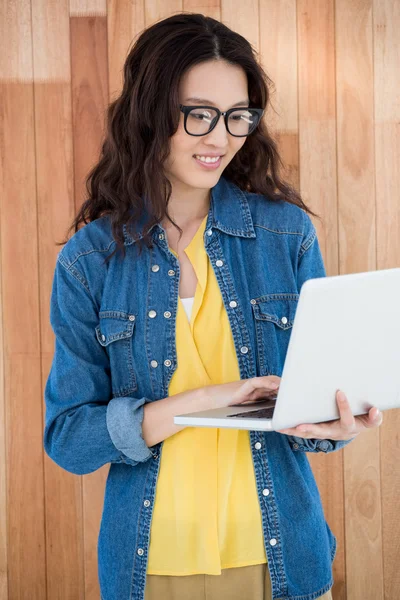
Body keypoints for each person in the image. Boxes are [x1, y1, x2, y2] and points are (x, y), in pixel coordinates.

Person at [43, 12, 383, 600]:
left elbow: (306, 415)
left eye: (237, 116)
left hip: (283, 560)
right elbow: (70, 438)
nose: (220, 137)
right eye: (197, 114)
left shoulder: (287, 235)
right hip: (147, 568)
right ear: (150, 114)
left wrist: (332, 425)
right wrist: (197, 403)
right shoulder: (89, 258)